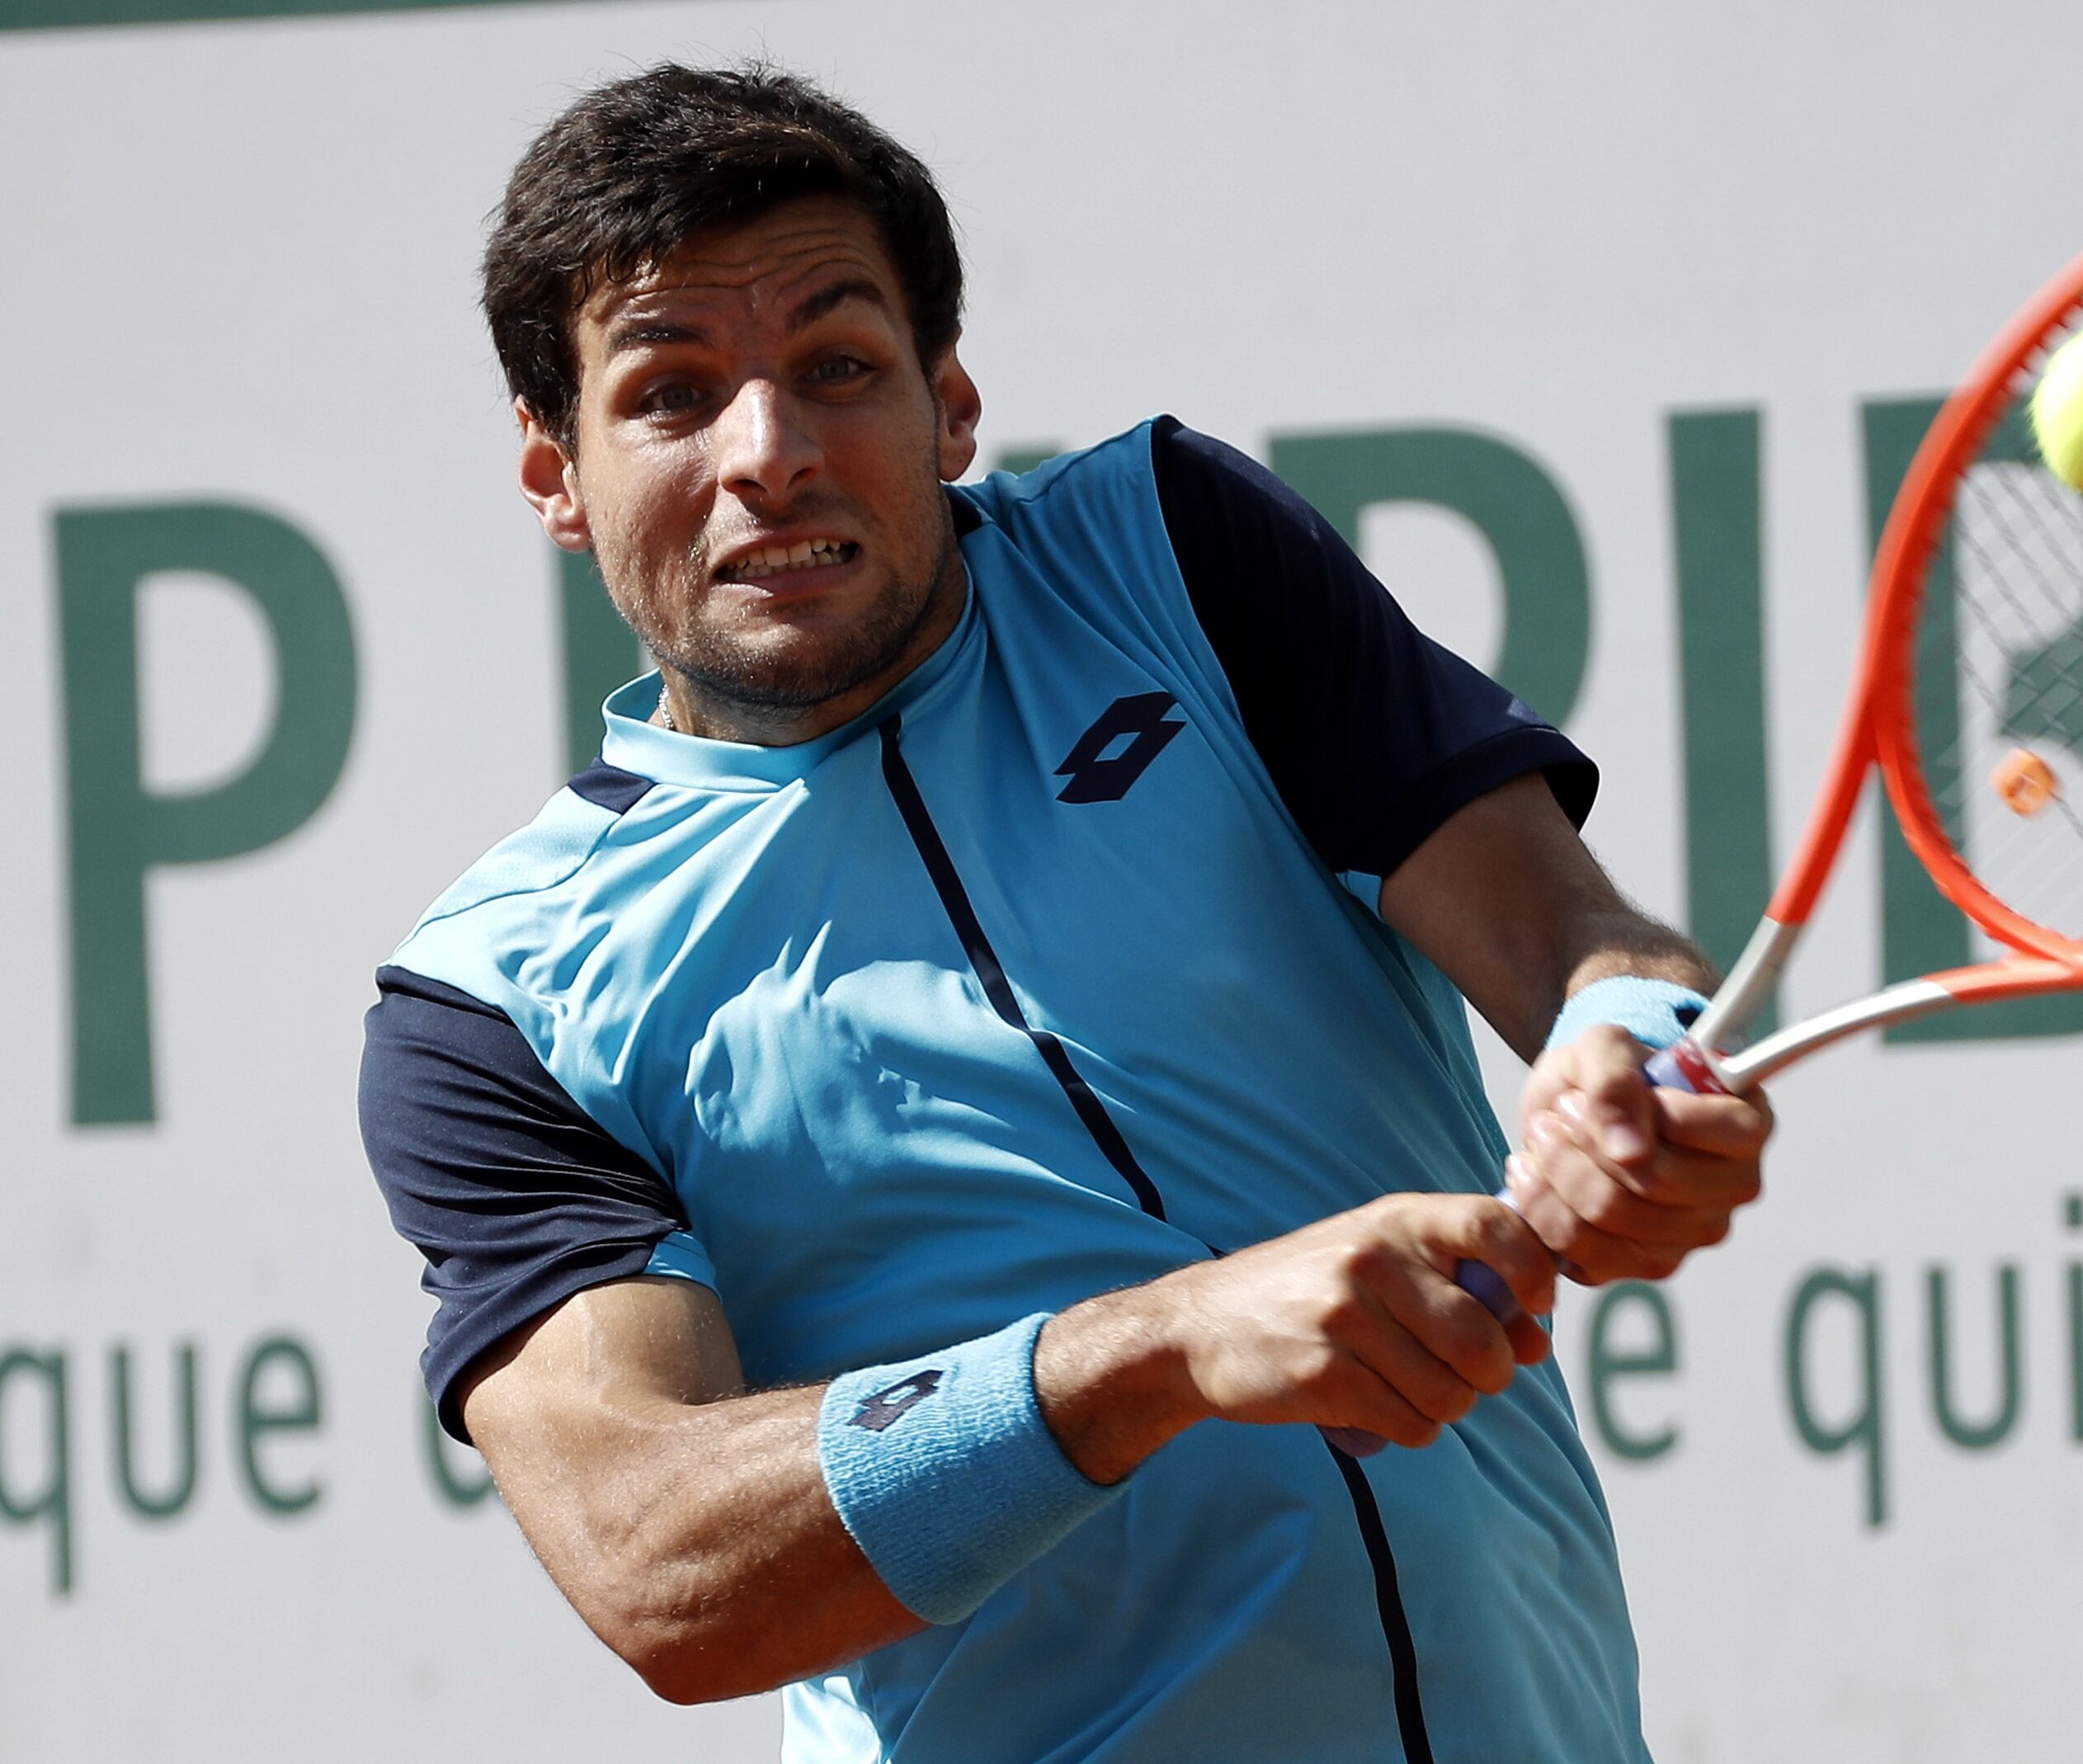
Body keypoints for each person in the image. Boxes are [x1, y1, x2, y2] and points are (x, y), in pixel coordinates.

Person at [358, 62, 1774, 1764]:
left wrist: (1620, 1055)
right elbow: (658, 1564)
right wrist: (1167, 1347)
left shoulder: (1169, 553)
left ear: (949, 403)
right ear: (555, 475)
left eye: (837, 368)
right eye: (672, 394)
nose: (771, 454)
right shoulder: (494, 1003)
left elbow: (1565, 934)